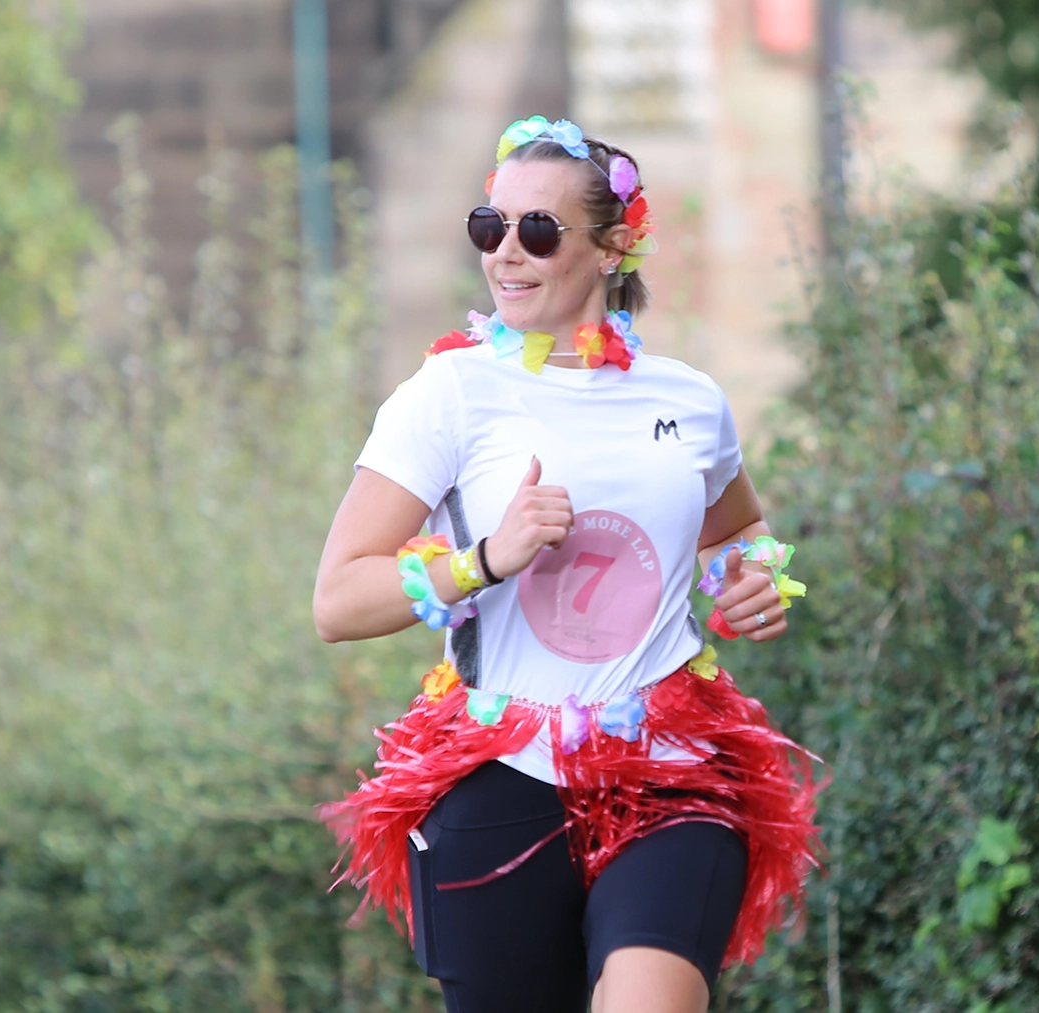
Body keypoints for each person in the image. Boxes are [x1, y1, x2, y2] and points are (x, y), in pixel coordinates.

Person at [313, 117, 821, 1013]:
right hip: (501, 772)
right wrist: (485, 559)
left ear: (614, 245)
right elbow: (338, 598)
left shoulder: (689, 400)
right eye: (489, 226)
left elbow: (740, 531)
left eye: (538, 230)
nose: (505, 253)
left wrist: (751, 579)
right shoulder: (449, 393)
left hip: (672, 766)